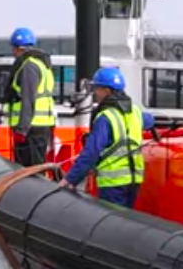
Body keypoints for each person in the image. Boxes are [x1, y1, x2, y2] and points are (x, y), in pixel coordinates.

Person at [58, 67, 155, 208]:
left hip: (112, 183)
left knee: (111, 223)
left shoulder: (105, 117)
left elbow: (90, 153)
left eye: (97, 88)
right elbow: (150, 121)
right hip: (134, 180)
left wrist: (70, 180)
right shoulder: (135, 112)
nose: (95, 93)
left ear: (107, 90)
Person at [5, 27, 57, 167]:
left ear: (17, 48)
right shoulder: (43, 65)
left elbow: (28, 99)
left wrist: (22, 130)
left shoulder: (29, 66)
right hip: (41, 125)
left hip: (30, 129)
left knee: (28, 172)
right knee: (37, 169)